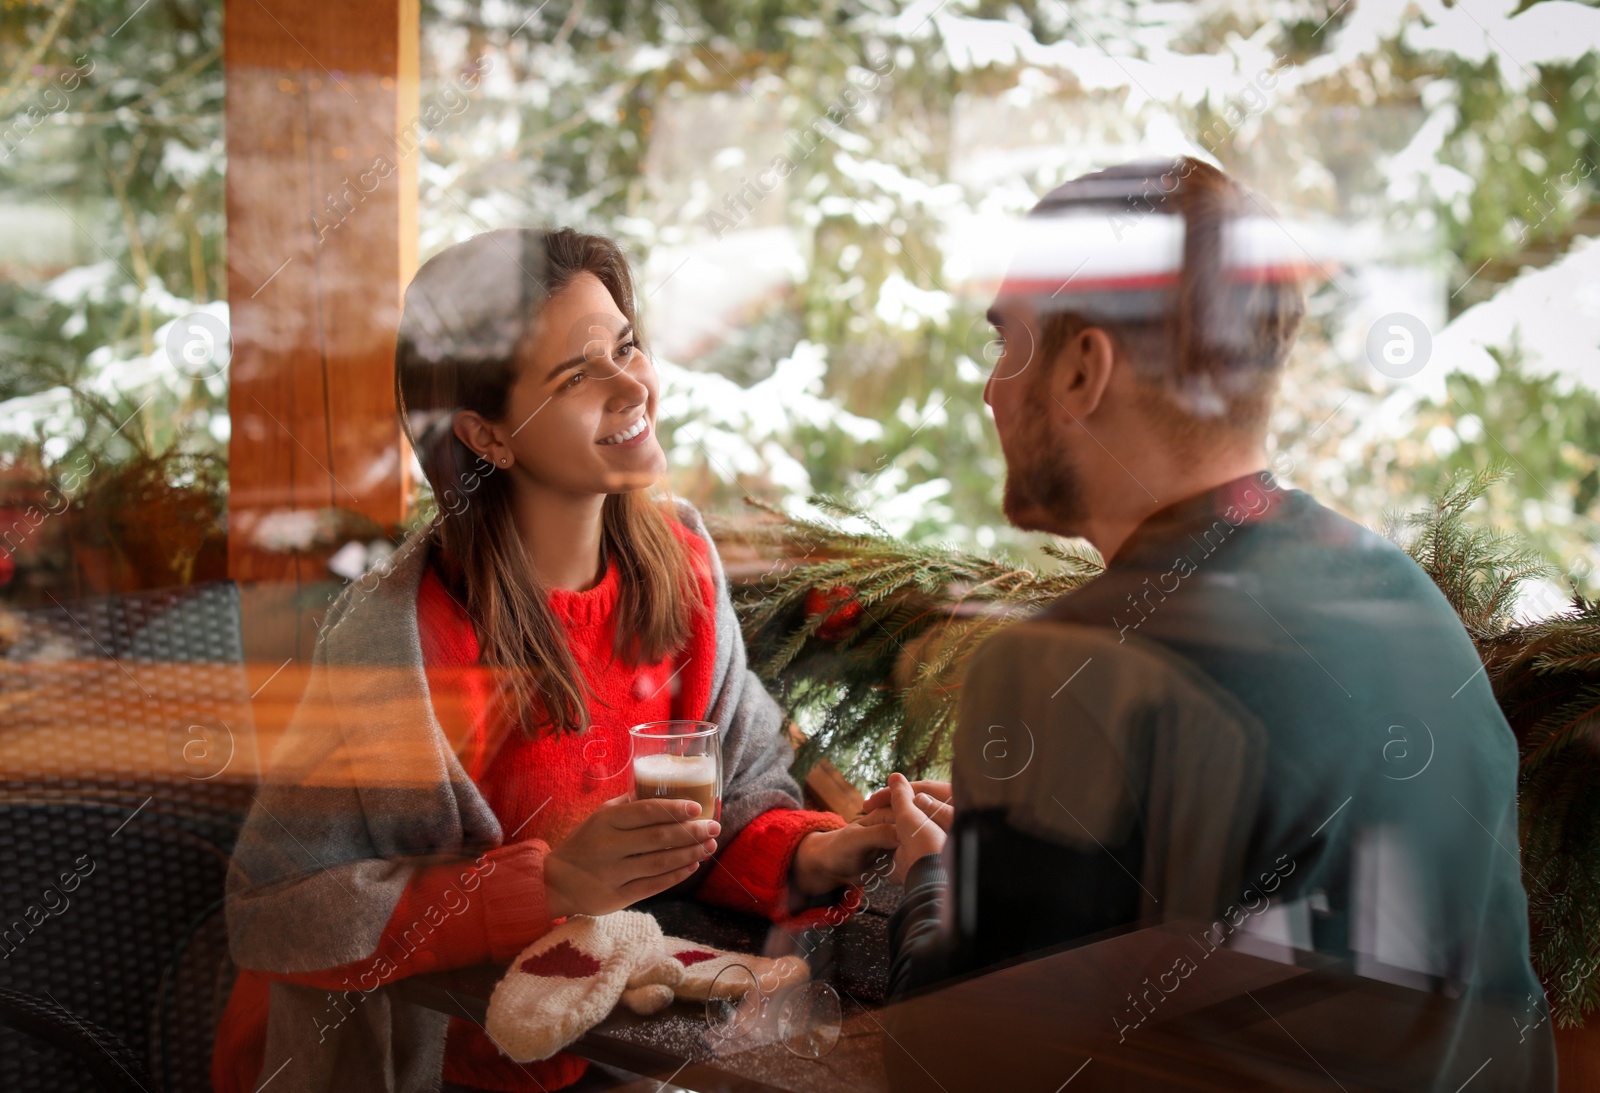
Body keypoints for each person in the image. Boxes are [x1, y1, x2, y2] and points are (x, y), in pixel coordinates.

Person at [864, 158, 1556, 1091]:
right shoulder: (1401, 594)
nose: (993, 390)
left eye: (1010, 345)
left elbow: (939, 1059)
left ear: (1080, 370)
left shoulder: (1067, 668)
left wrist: (934, 874)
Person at [211, 227, 899, 1093]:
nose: (631, 385)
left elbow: (729, 811)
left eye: (627, 346)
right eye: (578, 375)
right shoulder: (399, 640)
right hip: (422, 1066)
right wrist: (554, 883)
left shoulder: (682, 566)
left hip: (604, 1049)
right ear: (487, 435)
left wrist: (823, 852)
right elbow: (280, 911)